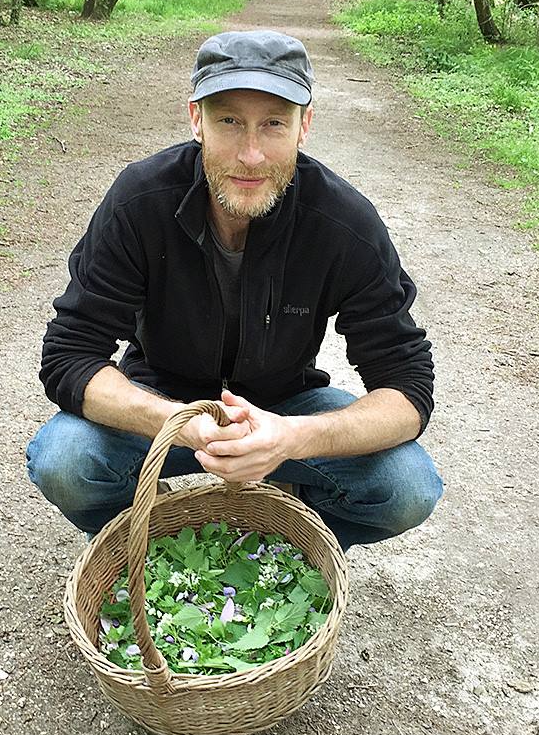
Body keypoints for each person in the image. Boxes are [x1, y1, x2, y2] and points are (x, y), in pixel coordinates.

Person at [27, 29, 443, 552]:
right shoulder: (141, 201)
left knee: (407, 487)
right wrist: (178, 423)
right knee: (64, 460)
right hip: (161, 398)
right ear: (196, 119)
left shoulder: (343, 222)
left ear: (304, 126)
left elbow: (407, 388)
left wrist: (291, 438)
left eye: (273, 124)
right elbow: (70, 355)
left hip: (287, 404)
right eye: (229, 121)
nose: (251, 155)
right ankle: (157, 549)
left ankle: (276, 542)